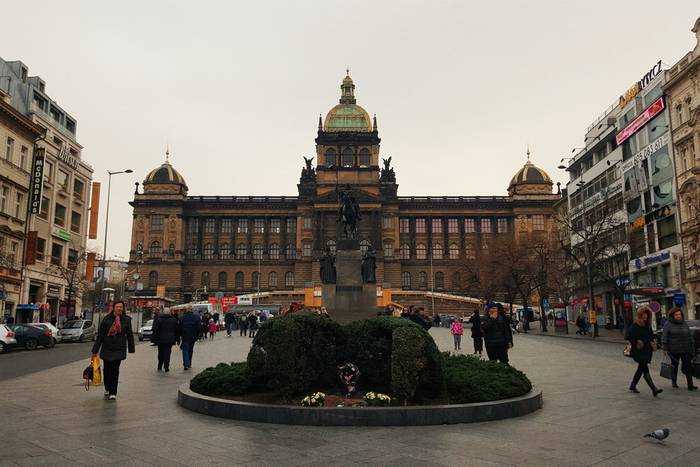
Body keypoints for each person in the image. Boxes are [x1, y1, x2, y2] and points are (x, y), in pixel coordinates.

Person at [91, 301, 135, 400]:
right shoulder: (106, 319)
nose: (119, 309)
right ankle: (107, 387)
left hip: (119, 348)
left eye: (121, 307)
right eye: (117, 307)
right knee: (107, 369)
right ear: (113, 308)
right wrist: (95, 350)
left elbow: (130, 335)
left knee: (115, 370)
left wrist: (131, 348)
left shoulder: (127, 320)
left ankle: (113, 392)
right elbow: (100, 336)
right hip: (107, 347)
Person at [627, 307, 663, 397]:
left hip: (647, 350)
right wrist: (637, 343)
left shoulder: (647, 326)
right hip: (638, 350)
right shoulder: (635, 325)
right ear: (640, 316)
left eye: (646, 317)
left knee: (641, 369)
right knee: (644, 367)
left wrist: (654, 343)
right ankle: (654, 389)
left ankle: (632, 385)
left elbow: (651, 337)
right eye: (643, 317)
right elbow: (629, 336)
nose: (645, 318)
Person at [662, 307, 698, 391]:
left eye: (680, 314)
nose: (678, 316)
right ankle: (674, 382)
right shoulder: (668, 324)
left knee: (688, 366)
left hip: (686, 348)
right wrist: (665, 348)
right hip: (674, 349)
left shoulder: (684, 323)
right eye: (676, 315)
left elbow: (689, 336)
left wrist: (692, 347)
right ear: (672, 315)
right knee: (674, 366)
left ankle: (690, 385)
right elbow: (664, 337)